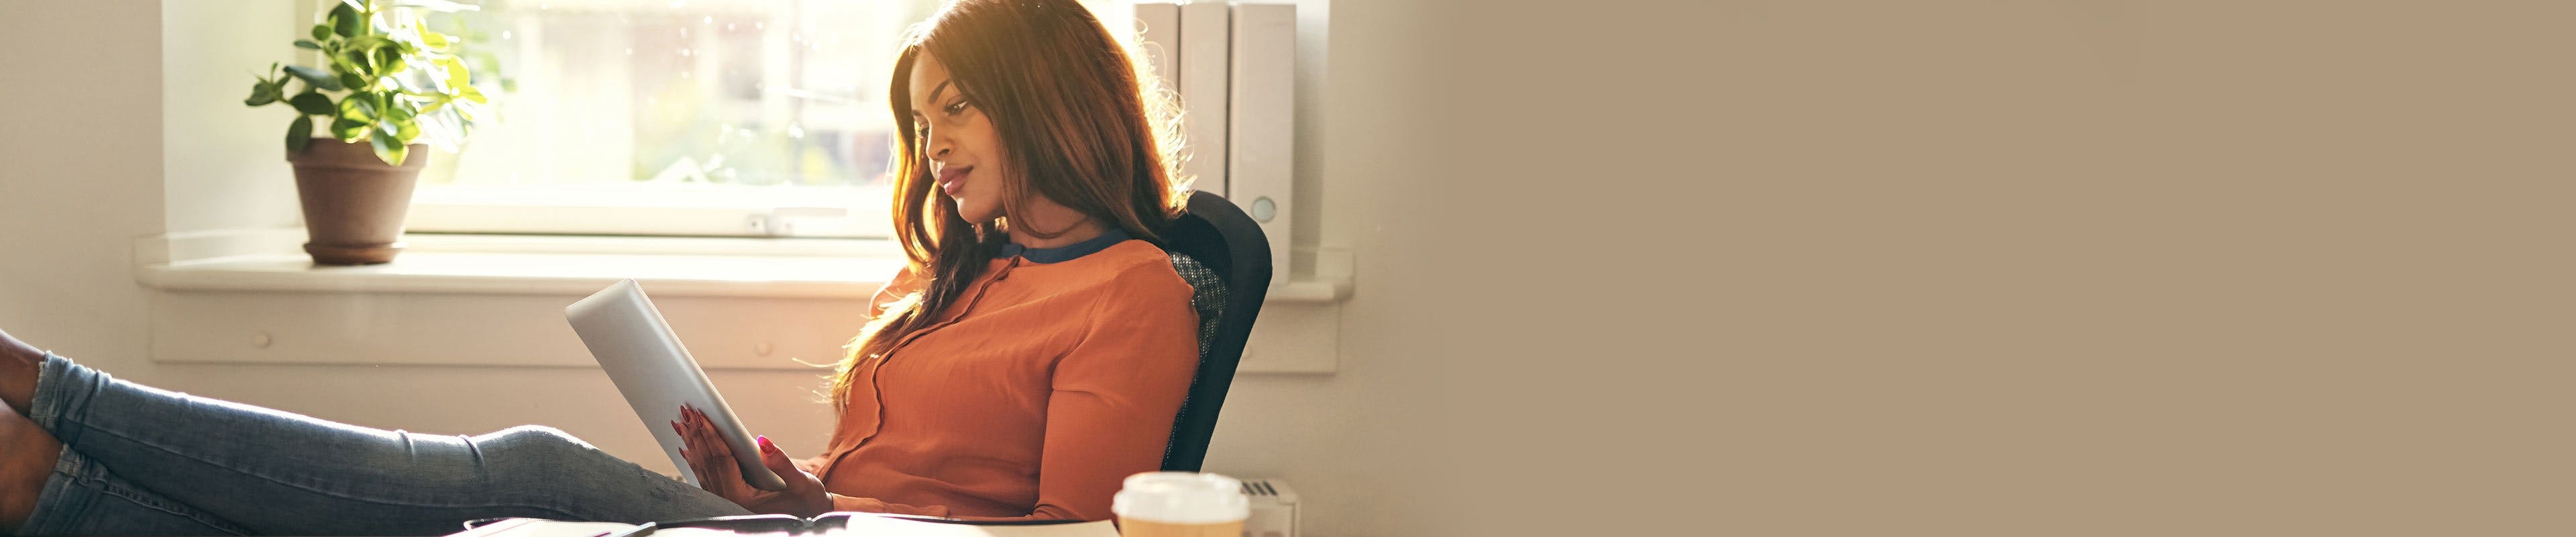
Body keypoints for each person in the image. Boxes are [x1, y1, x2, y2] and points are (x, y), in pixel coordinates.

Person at [0, 0, 1203, 534]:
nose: (930, 144)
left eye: (959, 110)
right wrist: (792, 494)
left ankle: (51, 398)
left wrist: (837, 518)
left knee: (525, 469)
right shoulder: (967, 274)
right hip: (822, 533)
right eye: (922, 118)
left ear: (1045, 100)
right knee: (485, 510)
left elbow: (1081, 536)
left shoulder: (1129, 291)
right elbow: (906, 472)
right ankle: (49, 483)